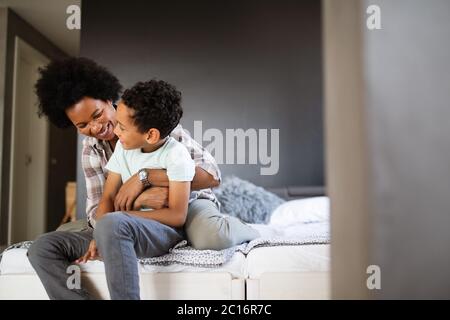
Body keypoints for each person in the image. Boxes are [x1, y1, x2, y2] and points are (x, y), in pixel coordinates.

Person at [27, 57, 259, 299]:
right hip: (125, 218)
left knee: (211, 236)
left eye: (97, 115)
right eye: (82, 125)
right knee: (46, 244)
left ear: (108, 100)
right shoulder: (94, 150)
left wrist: (145, 178)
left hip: (185, 202)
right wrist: (135, 203)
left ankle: (244, 228)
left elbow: (211, 176)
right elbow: (100, 203)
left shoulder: (158, 127)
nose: (95, 128)